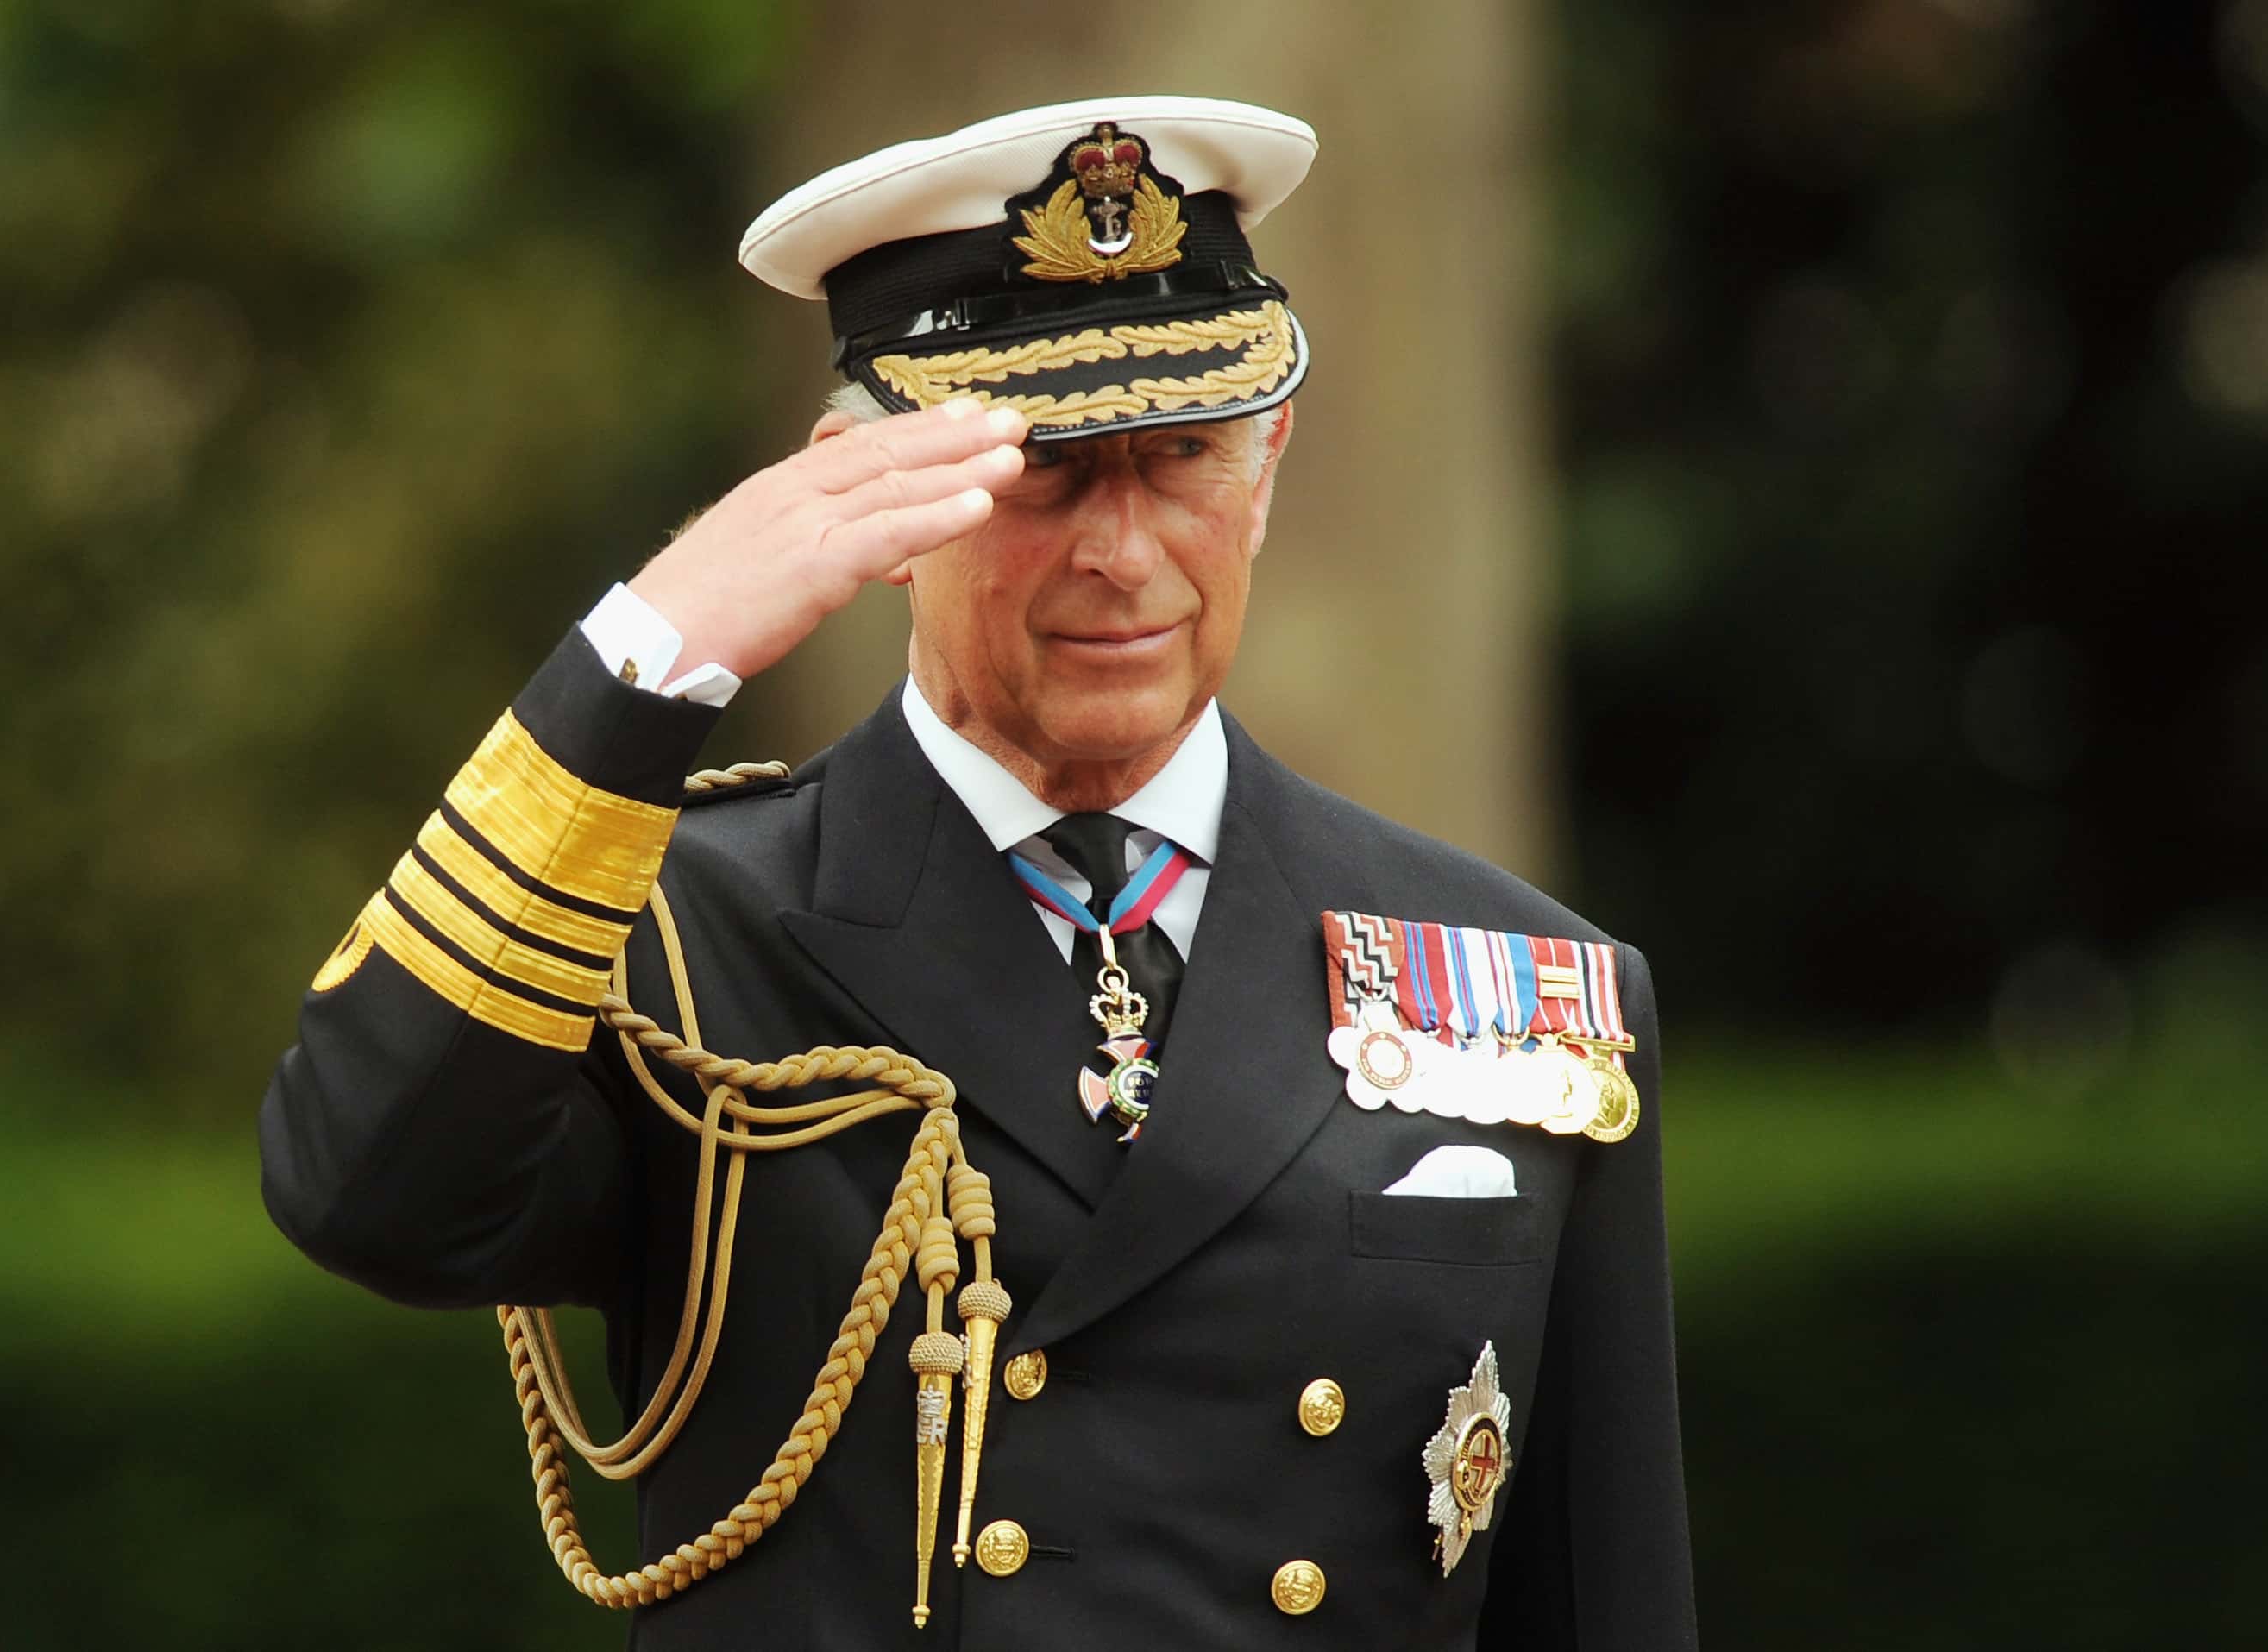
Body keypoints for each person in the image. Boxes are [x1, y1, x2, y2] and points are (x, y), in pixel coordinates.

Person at [259, 96, 1695, 1650]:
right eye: (1046, 468)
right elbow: (370, 1194)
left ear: (1268, 461)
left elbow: (1597, 1595)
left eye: (1185, 457)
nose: (1123, 553)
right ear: (869, 492)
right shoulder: (671, 941)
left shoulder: (1524, 981)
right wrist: (645, 661)